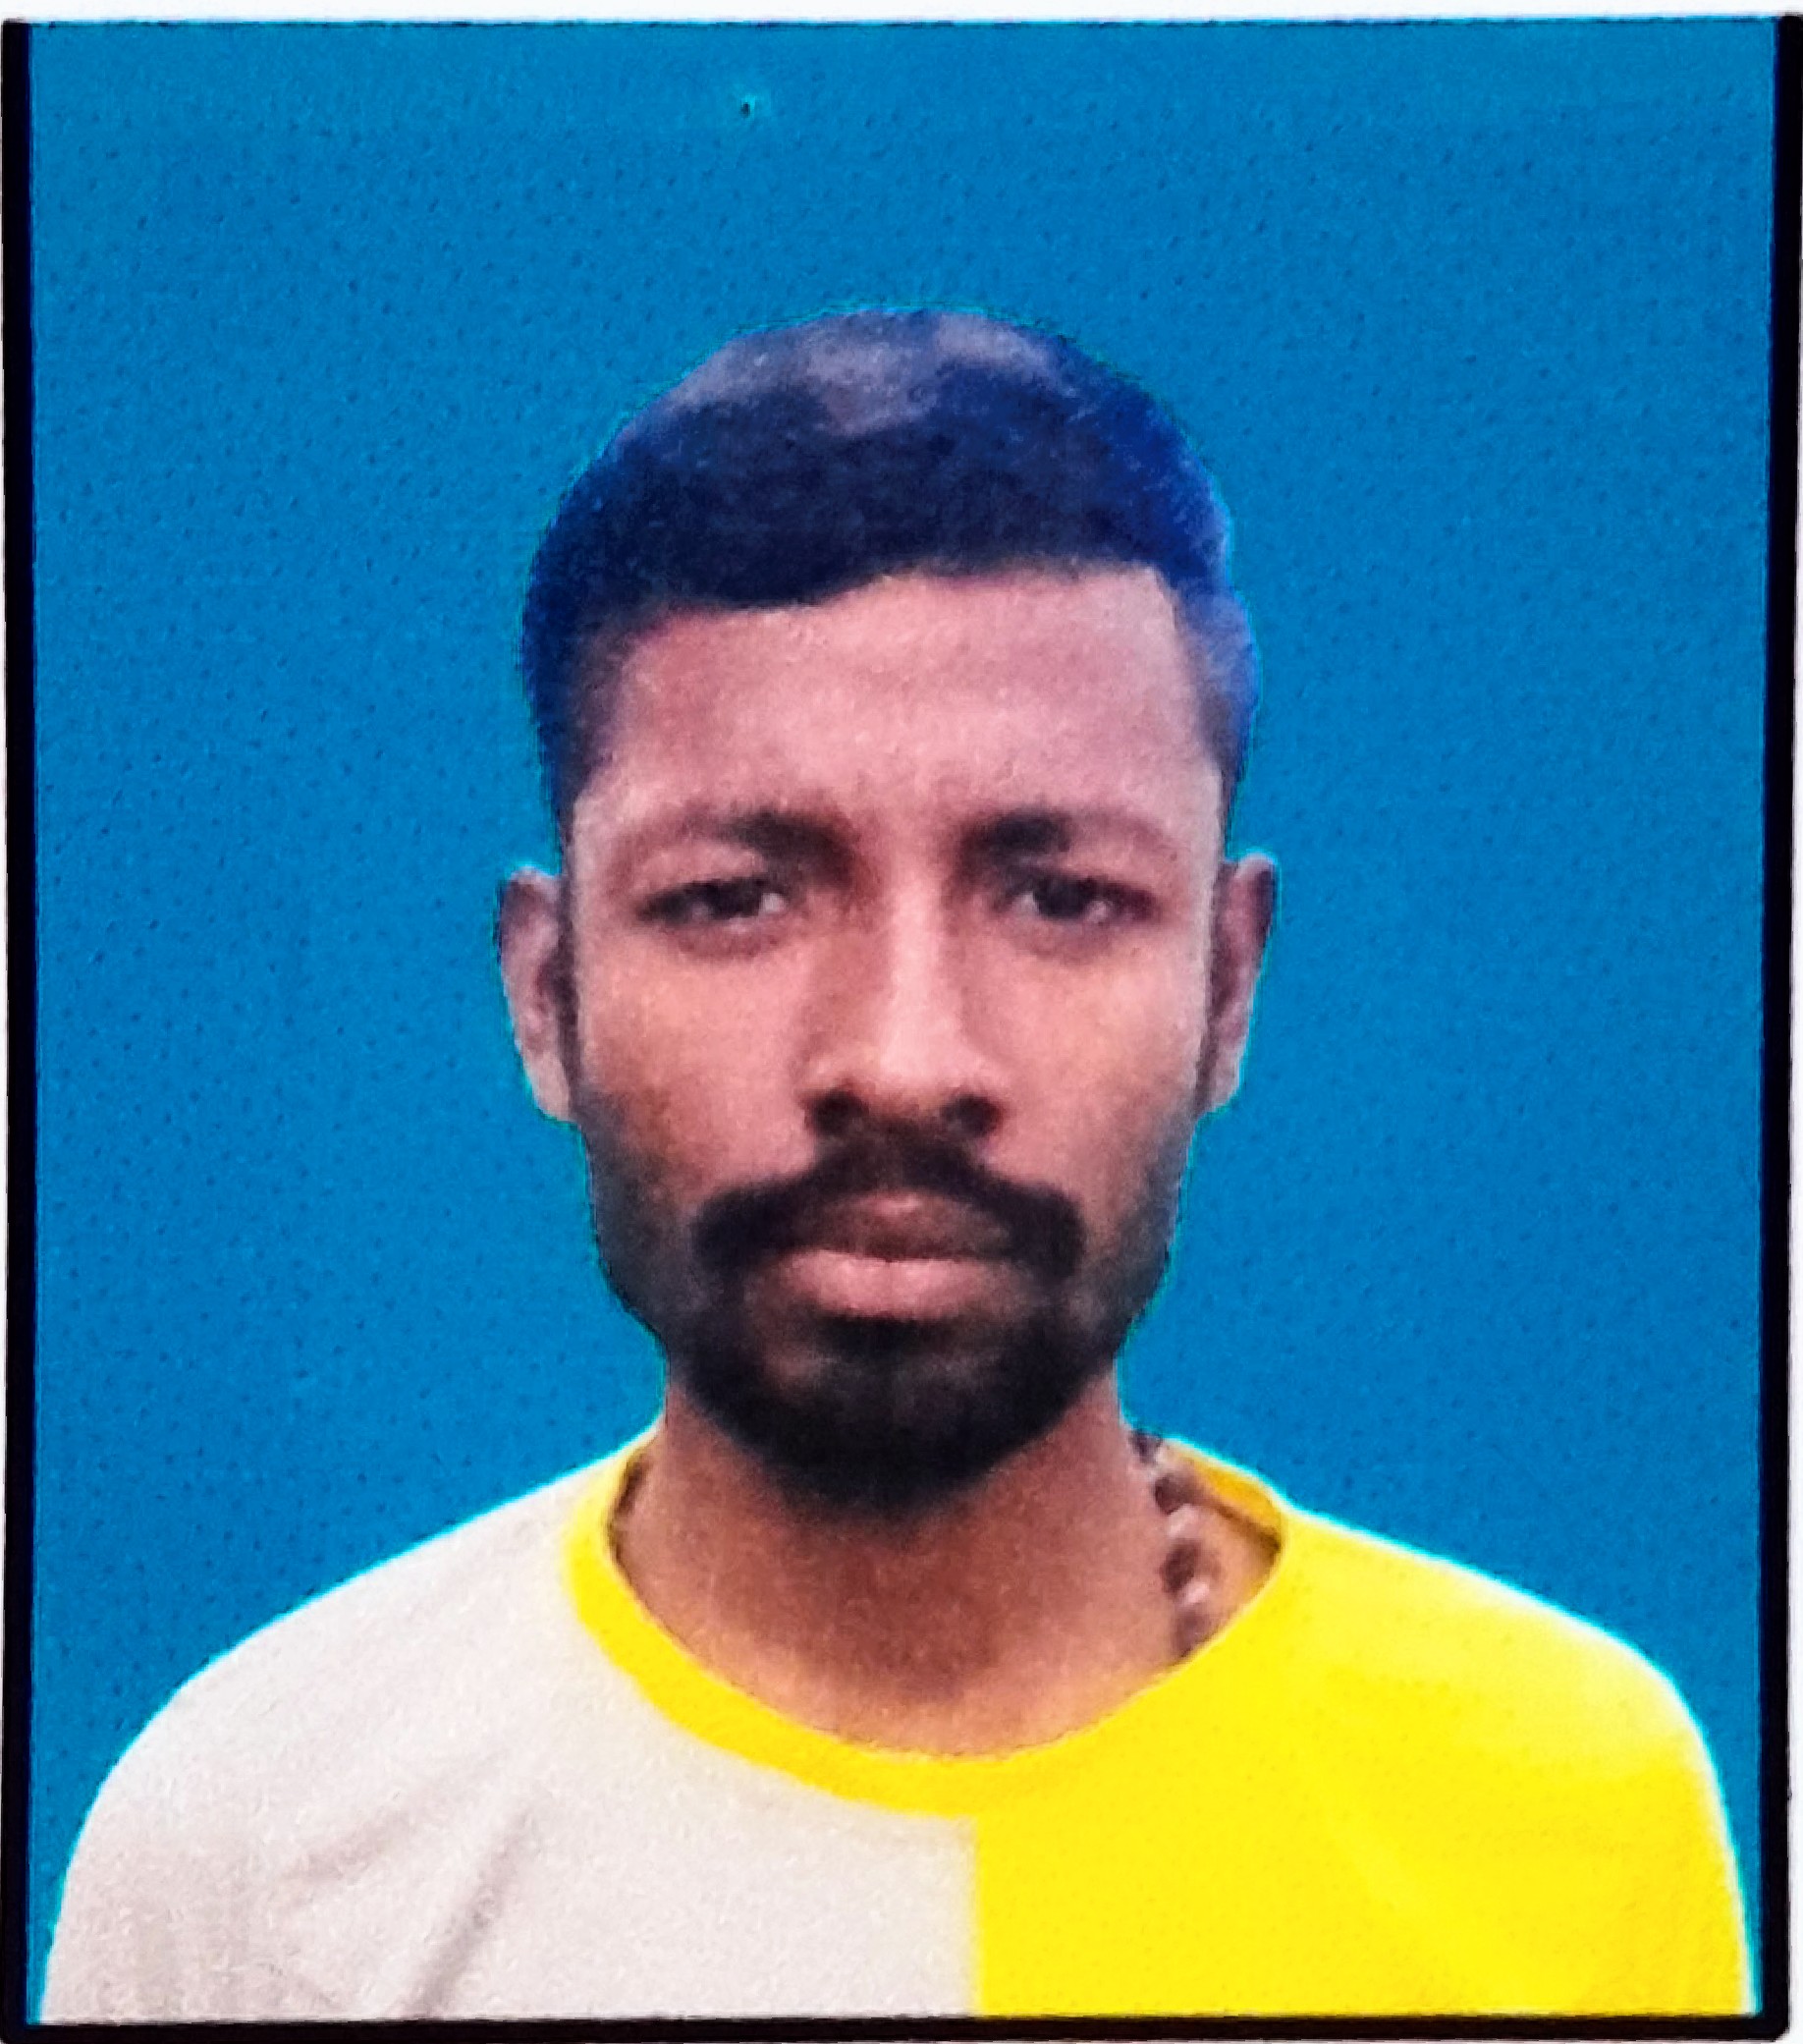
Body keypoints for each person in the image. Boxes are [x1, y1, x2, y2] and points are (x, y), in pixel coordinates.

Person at [43, 309, 1749, 2022]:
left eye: (1060, 897)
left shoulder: (1566, 1810)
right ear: (547, 996)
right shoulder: (255, 1857)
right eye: (734, 898)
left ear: (1229, 988)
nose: (905, 1057)